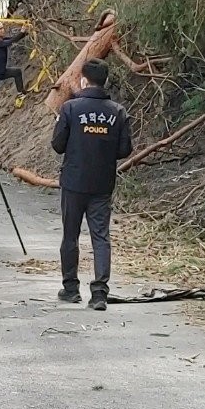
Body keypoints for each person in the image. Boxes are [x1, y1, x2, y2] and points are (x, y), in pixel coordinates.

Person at [51, 58, 132, 311]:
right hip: (102, 183)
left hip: (74, 181)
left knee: (70, 235)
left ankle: (71, 288)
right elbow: (125, 149)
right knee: (101, 237)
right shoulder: (118, 111)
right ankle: (99, 293)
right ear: (105, 81)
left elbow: (57, 145)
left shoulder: (71, 108)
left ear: (83, 80)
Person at [0, 23, 27, 105]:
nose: (3, 30)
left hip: (2, 72)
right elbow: (10, 42)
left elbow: (14, 39)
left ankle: (21, 93)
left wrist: (26, 32)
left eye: (3, 28)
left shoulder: (2, 40)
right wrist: (22, 31)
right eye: (0, 29)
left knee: (17, 72)